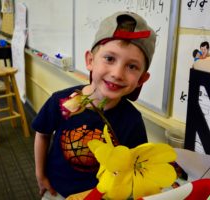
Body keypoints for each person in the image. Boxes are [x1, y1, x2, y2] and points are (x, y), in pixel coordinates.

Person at [32, 11, 156, 199]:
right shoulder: (62, 101)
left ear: (141, 79)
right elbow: (42, 134)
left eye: (132, 66)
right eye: (109, 58)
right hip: (56, 191)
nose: (117, 73)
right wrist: (40, 175)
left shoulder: (132, 120)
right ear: (90, 60)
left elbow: (134, 166)